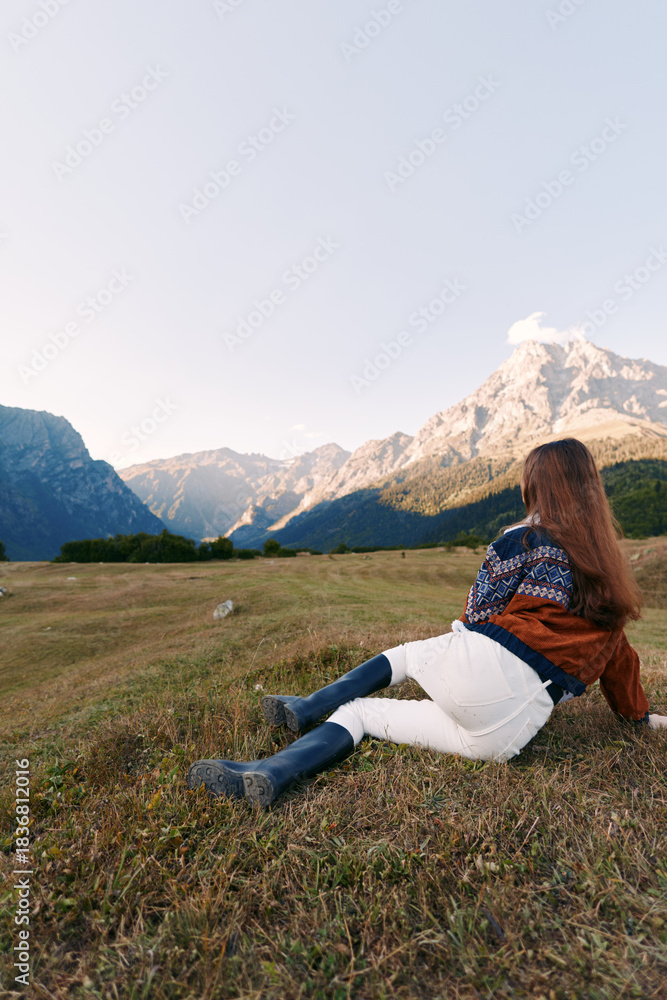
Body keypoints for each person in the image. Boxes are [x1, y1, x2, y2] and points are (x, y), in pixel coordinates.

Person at [188, 438, 666, 806]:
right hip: (511, 732)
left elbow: (475, 615)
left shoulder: (523, 538)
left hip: (487, 666)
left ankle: (299, 727)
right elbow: (621, 663)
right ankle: (270, 775)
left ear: (537, 486)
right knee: (368, 716)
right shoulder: (607, 578)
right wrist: (641, 719)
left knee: (408, 656)